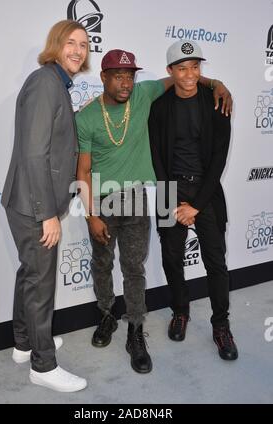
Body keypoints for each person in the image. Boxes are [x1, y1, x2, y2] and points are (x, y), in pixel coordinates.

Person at [76, 48, 233, 373]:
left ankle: (202, 327)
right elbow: (88, 171)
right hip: (141, 195)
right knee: (142, 261)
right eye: (117, 75)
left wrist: (216, 82)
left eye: (129, 75)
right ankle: (142, 314)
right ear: (103, 77)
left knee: (194, 263)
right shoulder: (107, 113)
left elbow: (218, 156)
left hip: (175, 194)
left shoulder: (195, 99)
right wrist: (91, 213)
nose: (125, 82)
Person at [1, 20, 89, 392]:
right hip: (34, 206)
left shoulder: (56, 83)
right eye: (71, 43)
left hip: (28, 202)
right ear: (55, 44)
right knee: (40, 284)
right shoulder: (45, 83)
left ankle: (24, 344)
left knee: (30, 275)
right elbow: (35, 154)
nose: (78, 50)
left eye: (84, 45)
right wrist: (47, 214)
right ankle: (43, 365)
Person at [148, 40, 238, 361]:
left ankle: (221, 325)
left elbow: (219, 159)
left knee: (216, 262)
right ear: (170, 72)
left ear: (201, 70)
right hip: (169, 191)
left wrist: (195, 206)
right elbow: (157, 158)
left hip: (206, 192)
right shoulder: (158, 108)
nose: (189, 74)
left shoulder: (218, 102)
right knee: (172, 259)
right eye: (182, 68)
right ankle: (180, 312)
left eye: (195, 67)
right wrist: (173, 202)